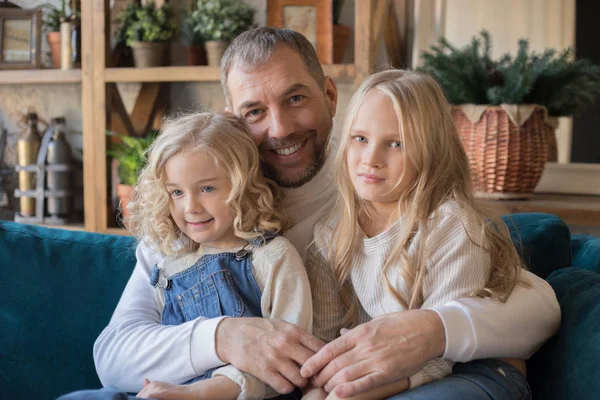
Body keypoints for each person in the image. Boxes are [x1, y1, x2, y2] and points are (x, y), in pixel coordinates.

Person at [93, 27, 560, 398]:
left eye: (295, 99)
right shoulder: (194, 210)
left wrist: (434, 329)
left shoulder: (371, 187)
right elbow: (113, 355)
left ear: (331, 96)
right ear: (232, 120)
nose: (279, 128)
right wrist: (223, 337)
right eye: (254, 111)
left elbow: (537, 306)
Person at [304, 69, 532, 400]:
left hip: (470, 370)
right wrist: (318, 389)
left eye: (395, 143)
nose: (371, 159)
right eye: (360, 139)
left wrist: (353, 391)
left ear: (430, 150)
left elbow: (442, 353)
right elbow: (326, 342)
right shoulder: (330, 232)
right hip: (384, 374)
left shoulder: (452, 226)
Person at [124, 112, 313, 400]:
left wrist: (202, 392)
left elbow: (293, 361)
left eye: (207, 188)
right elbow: (163, 354)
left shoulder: (272, 258)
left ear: (242, 184)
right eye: (176, 192)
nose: (191, 207)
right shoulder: (170, 267)